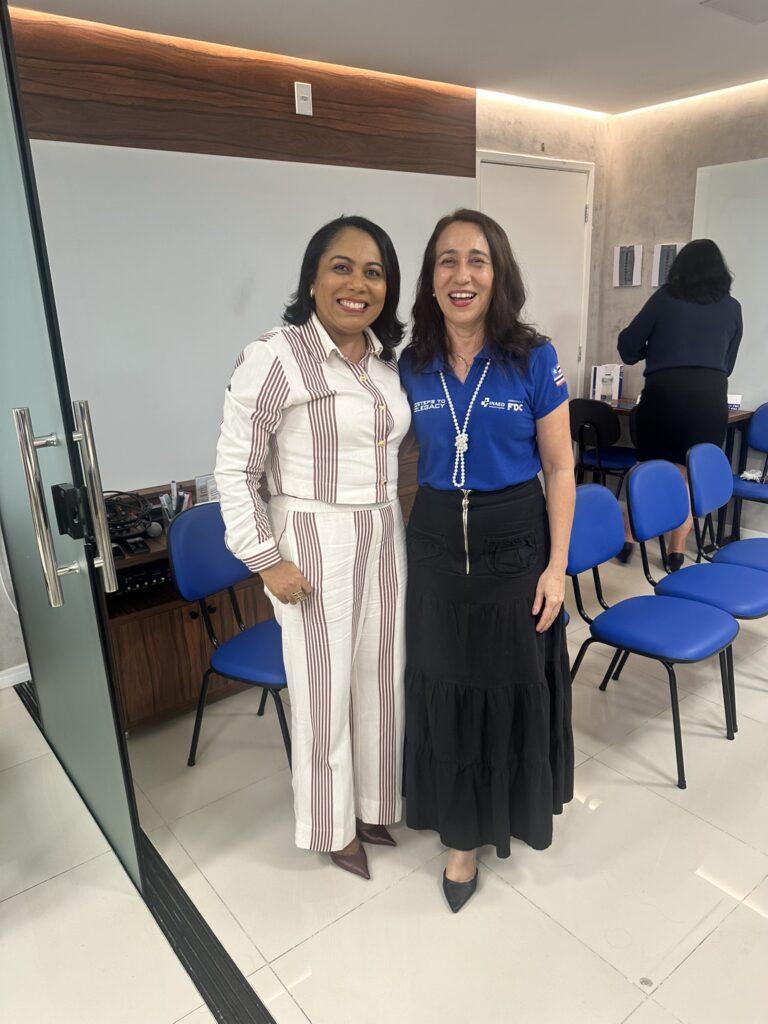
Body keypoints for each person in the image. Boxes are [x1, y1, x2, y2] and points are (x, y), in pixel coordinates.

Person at [215, 215, 411, 879]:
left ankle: (374, 804)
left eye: (374, 272)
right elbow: (236, 470)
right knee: (323, 689)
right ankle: (331, 826)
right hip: (312, 537)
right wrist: (266, 559)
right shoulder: (275, 357)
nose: (358, 284)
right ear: (312, 278)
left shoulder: (384, 367)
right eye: (341, 267)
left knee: (381, 676)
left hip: (383, 532)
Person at [398, 209, 575, 913]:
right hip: (436, 546)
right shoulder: (410, 364)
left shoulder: (534, 357)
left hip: (515, 544)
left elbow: (560, 468)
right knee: (445, 685)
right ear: (431, 278)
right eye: (447, 260)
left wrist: (557, 567)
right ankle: (460, 840)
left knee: (507, 683)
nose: (462, 274)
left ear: (498, 273)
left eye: (477, 259)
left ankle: (506, 812)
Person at [618, 239, 742, 569]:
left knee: (647, 468)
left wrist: (655, 350)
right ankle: (676, 550)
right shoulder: (732, 308)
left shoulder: (664, 299)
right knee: (689, 475)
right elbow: (727, 364)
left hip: (664, 396)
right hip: (709, 401)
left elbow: (628, 348)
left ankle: (628, 538)